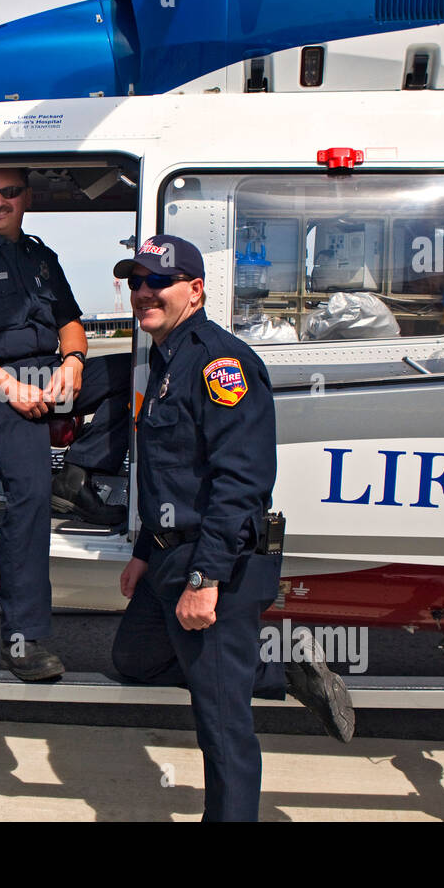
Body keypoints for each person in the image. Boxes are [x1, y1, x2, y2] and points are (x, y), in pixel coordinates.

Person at [111, 234, 353, 823]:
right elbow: (171, 476)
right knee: (134, 659)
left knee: (222, 727)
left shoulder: (222, 364)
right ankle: (280, 671)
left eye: (157, 282)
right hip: (168, 558)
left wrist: (205, 577)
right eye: (135, 282)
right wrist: (144, 551)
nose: (144, 293)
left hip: (216, 563)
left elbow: (240, 484)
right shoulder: (167, 360)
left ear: (194, 291)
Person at [0, 167, 132, 681]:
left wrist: (75, 363)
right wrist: (9, 388)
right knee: (29, 489)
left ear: (26, 198)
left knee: (136, 373)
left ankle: (78, 473)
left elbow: (70, 322)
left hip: (46, 376)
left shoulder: (41, 256)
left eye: (9, 193)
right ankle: (24, 638)